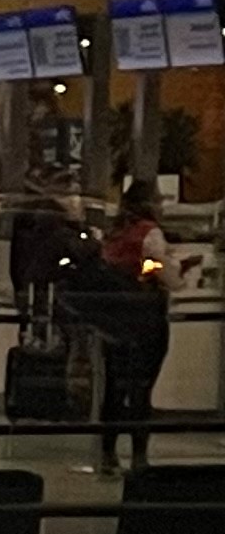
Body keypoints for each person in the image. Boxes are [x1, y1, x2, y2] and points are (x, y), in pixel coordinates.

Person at [83, 180, 171, 473]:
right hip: (146, 317)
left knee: (113, 387)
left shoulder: (114, 233)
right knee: (141, 389)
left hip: (115, 321)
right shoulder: (149, 232)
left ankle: (107, 454)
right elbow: (155, 266)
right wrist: (169, 274)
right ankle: (139, 455)